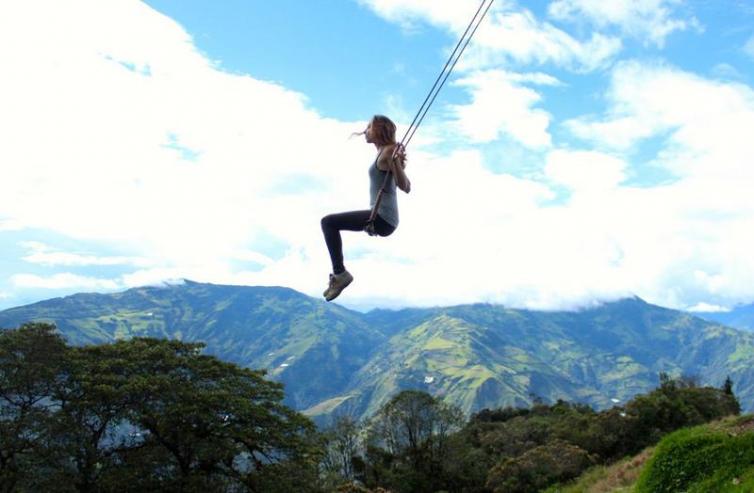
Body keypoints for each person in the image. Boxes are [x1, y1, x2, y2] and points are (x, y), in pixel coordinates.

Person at [320, 115, 411, 302]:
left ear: (379, 130)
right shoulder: (385, 152)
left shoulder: (389, 152)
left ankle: (340, 274)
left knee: (328, 222)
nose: (365, 131)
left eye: (369, 127)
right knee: (329, 223)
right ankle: (340, 274)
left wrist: (396, 163)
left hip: (383, 217)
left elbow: (405, 186)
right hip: (382, 218)